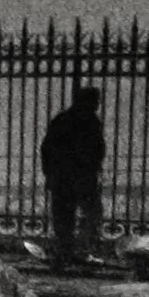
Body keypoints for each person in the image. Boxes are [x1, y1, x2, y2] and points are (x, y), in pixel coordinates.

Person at [40, 88, 105, 267]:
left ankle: (65, 252)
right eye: (96, 101)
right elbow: (98, 150)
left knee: (64, 218)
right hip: (83, 177)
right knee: (89, 215)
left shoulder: (61, 120)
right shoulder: (92, 122)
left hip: (62, 178)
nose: (98, 105)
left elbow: (46, 149)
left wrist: (49, 173)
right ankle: (84, 252)